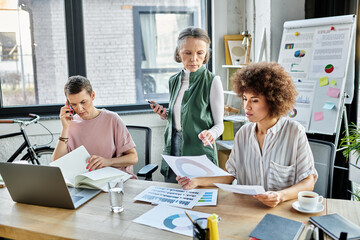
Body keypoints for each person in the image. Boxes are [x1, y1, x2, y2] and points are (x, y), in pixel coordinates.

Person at [177, 62, 318, 207]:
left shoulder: (294, 132)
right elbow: (229, 175)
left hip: (282, 210)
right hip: (248, 207)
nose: (246, 106)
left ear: (273, 100)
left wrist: (279, 196)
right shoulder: (243, 133)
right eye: (245, 99)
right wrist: (196, 181)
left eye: (254, 100)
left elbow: (308, 182)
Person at [149, 27, 224, 183]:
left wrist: (211, 133)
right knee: (173, 191)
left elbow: (220, 125)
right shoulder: (174, 80)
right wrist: (166, 114)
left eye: (200, 53)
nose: (194, 59)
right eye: (187, 53)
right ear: (178, 53)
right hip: (173, 145)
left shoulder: (212, 81)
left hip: (198, 148)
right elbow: (182, 114)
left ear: (206, 54)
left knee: (199, 198)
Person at [52, 75, 138, 178]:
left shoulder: (112, 119)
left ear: (92, 96)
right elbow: (57, 162)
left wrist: (108, 162)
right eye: (73, 104)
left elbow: (133, 157)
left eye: (83, 102)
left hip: (114, 182)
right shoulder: (71, 123)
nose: (79, 108)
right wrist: (65, 128)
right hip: (85, 182)